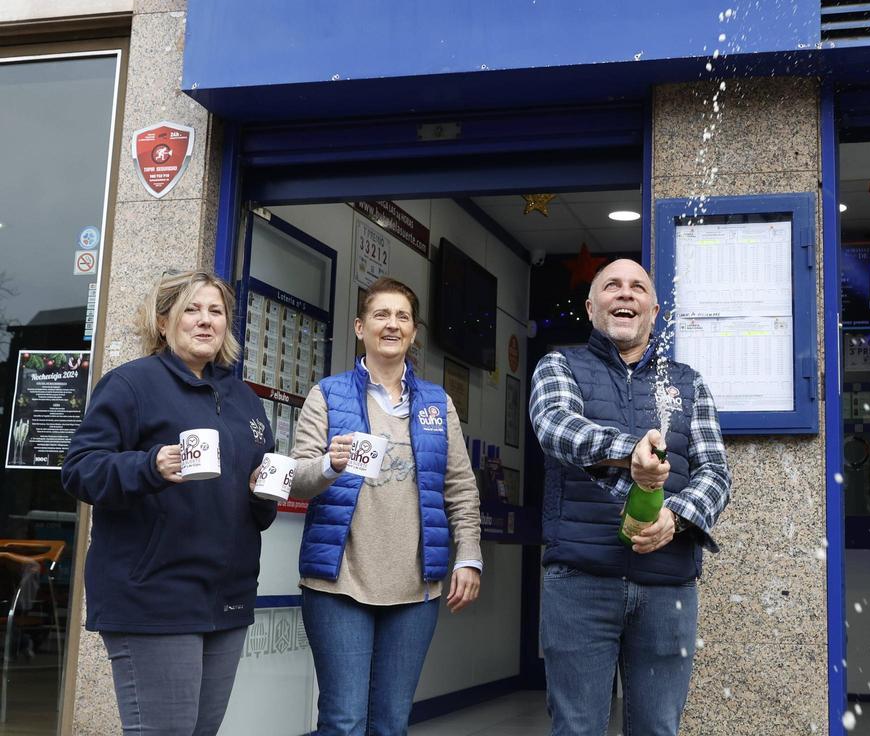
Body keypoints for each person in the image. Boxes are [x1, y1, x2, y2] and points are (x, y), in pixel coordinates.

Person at [62, 270, 277, 736]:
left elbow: (258, 509)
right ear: (163, 322)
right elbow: (79, 469)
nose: (205, 321)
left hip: (227, 599)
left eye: (215, 312)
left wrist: (264, 493)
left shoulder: (245, 399)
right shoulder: (132, 385)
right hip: (154, 599)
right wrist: (149, 467)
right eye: (191, 310)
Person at [529, 258, 731, 736]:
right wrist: (629, 451)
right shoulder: (561, 365)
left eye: (637, 287)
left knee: (657, 729)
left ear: (654, 309)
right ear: (591, 306)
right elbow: (555, 426)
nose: (625, 294)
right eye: (612, 286)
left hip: (668, 586)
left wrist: (675, 518)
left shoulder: (687, 382)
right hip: (580, 581)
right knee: (577, 728)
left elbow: (716, 472)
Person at [290, 276, 482, 736]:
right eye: (381, 315)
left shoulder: (437, 404)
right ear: (360, 327)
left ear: (414, 333)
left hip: (416, 590)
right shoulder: (327, 395)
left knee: (392, 723)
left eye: (402, 317)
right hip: (340, 583)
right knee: (343, 719)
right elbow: (296, 478)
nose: (392, 325)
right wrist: (329, 464)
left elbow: (460, 486)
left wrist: (469, 555)